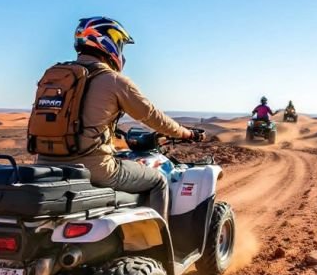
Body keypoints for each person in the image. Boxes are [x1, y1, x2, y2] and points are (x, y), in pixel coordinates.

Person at [35, 16, 203, 211]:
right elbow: (152, 116)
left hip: (44, 166)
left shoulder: (54, 77)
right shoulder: (113, 80)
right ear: (109, 42)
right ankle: (159, 242)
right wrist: (186, 133)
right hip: (95, 169)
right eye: (120, 44)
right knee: (158, 180)